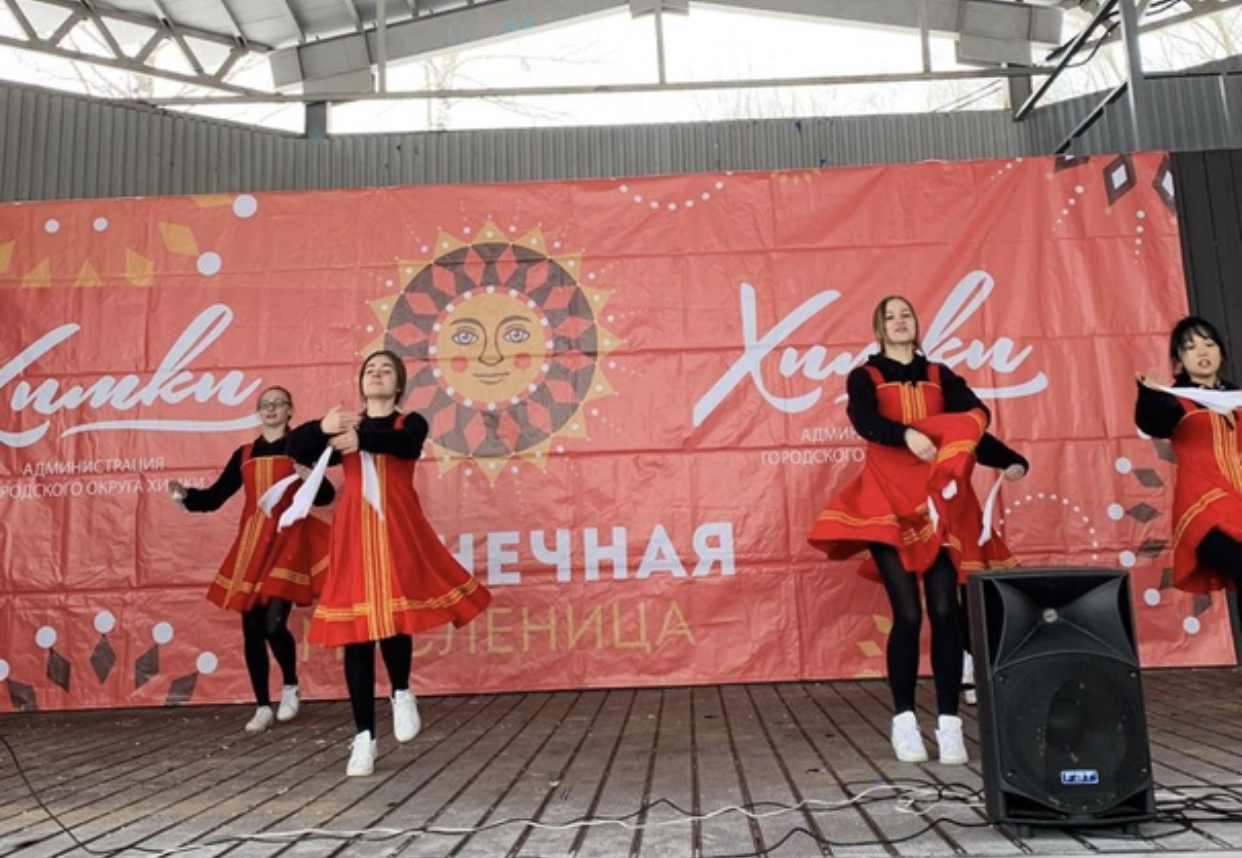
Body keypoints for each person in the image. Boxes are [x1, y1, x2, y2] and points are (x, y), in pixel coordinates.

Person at [807, 295, 1003, 765]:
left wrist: (1009, 458)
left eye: (906, 315)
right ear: (879, 329)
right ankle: (904, 722)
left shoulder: (940, 375)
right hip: (886, 503)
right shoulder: (866, 376)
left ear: (917, 324)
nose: (899, 322)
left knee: (945, 611)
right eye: (890, 317)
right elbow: (864, 421)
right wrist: (906, 435)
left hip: (934, 505)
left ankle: (950, 725)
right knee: (909, 615)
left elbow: (974, 420)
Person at [287, 350, 492, 777]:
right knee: (356, 633)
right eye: (370, 370)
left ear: (398, 384)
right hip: (353, 530)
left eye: (386, 371)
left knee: (394, 617)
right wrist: (321, 428)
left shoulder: (408, 423)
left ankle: (401, 691)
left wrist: (361, 440)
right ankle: (364, 737)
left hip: (395, 525)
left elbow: (406, 445)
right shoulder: (344, 425)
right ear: (361, 383)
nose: (376, 375)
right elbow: (296, 448)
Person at [170, 386, 334, 733]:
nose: (271, 409)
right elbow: (215, 497)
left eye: (278, 403)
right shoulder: (244, 454)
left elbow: (325, 496)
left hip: (289, 542)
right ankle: (261, 706)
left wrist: (309, 475)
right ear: (259, 412)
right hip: (252, 545)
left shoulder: (301, 449)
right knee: (252, 630)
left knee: (274, 624)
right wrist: (186, 496)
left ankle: (290, 685)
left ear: (290, 411)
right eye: (265, 404)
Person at [1135, 315, 1242, 594]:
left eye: (1209, 344)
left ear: (1221, 353)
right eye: (1191, 347)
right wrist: (1149, 396)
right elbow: (1153, 423)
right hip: (1203, 506)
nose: (1202, 352)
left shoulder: (1238, 397)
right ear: (1180, 361)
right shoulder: (1175, 399)